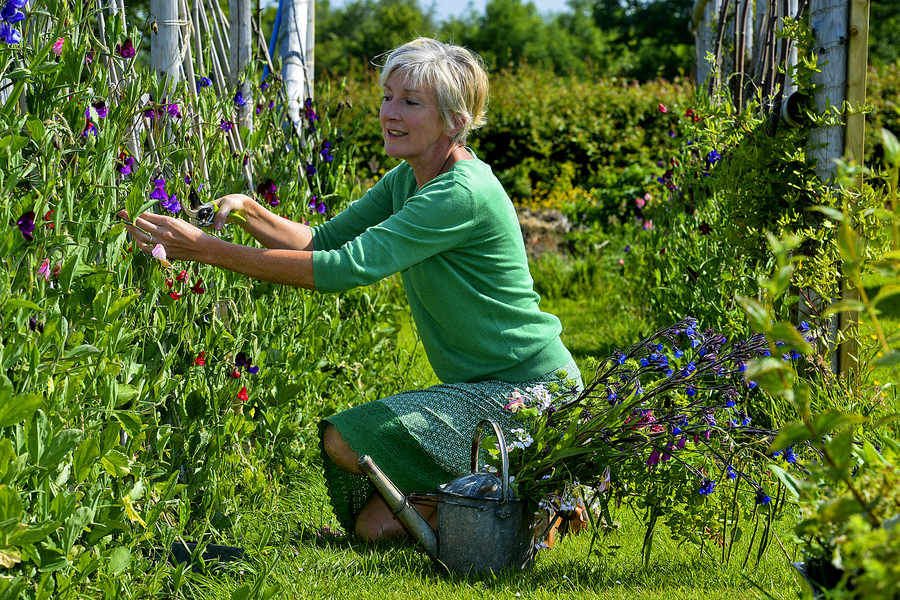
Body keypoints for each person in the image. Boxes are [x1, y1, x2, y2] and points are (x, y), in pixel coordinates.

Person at [121, 37, 581, 542]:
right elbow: (321, 240)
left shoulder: (460, 194)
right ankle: (512, 498)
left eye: (410, 101)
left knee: (344, 440)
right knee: (373, 530)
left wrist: (208, 250)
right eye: (387, 96)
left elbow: (344, 268)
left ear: (455, 121)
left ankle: (532, 491)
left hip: (527, 393)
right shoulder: (410, 178)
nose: (390, 112)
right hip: (476, 389)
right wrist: (249, 209)